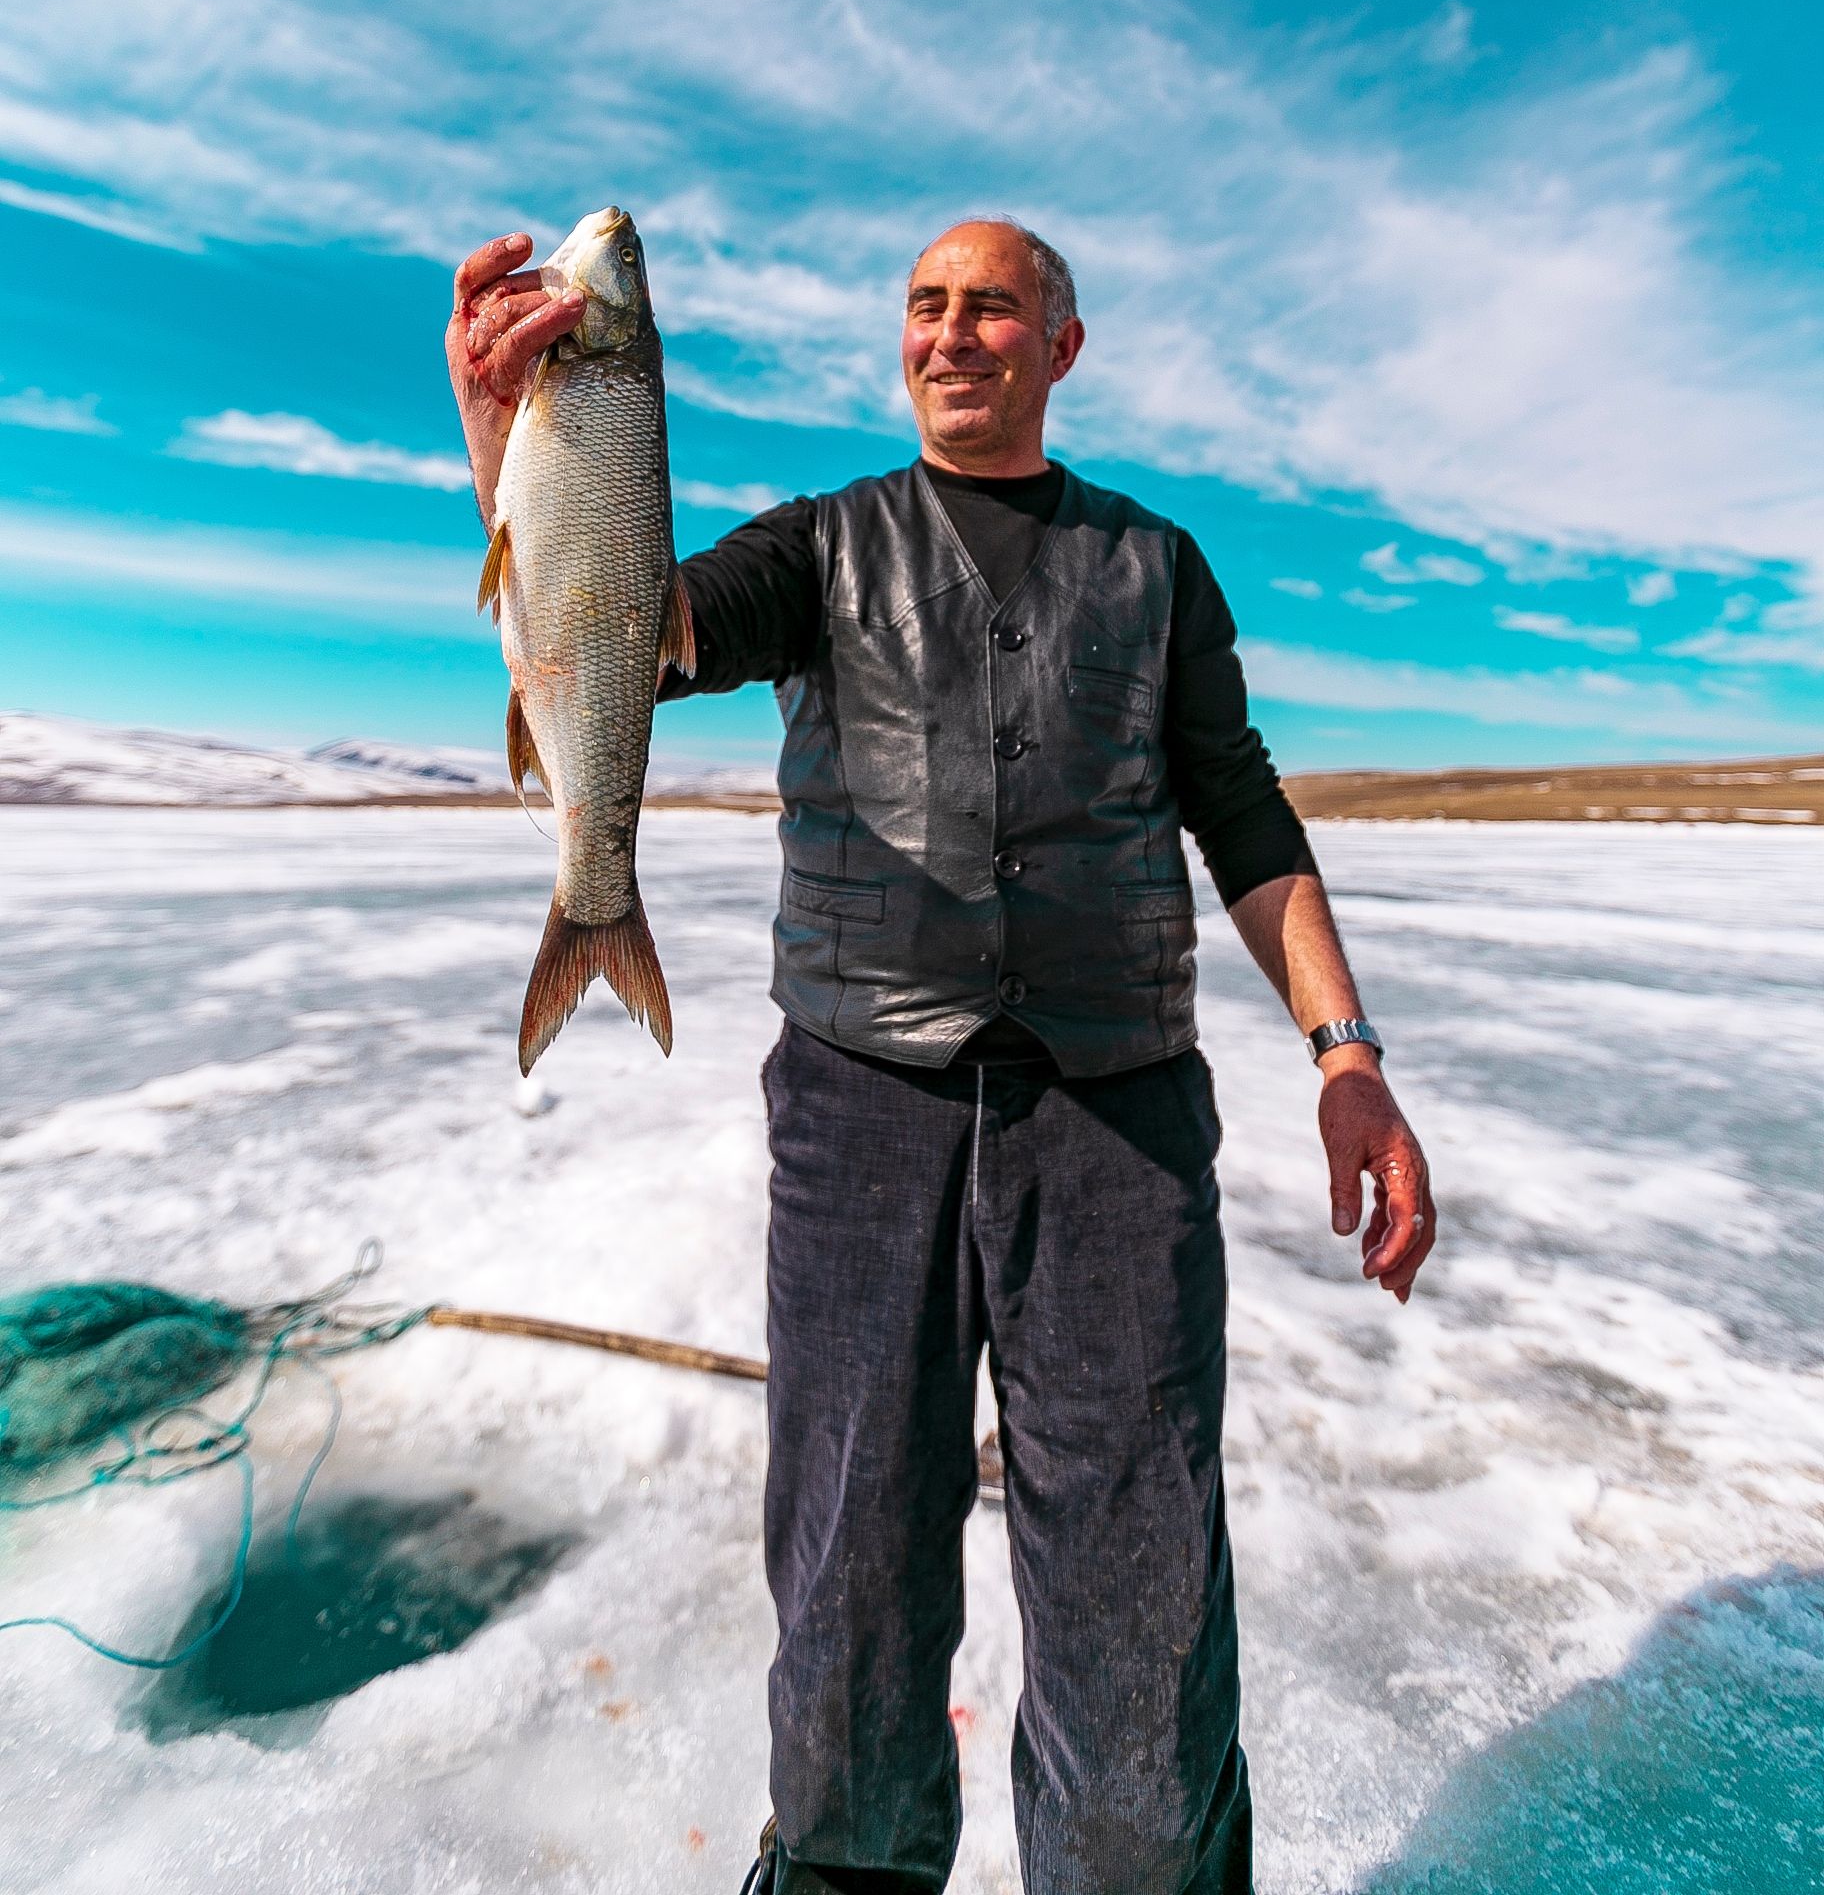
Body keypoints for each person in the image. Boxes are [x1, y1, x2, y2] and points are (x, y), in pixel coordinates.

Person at [446, 215, 1437, 1895]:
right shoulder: (823, 546)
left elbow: (1244, 813)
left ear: (1060, 345)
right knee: (847, 1571)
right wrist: (509, 442)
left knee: (1141, 1573)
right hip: (861, 1116)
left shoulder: (1158, 563)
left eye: (989, 307)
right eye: (925, 305)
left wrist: (1346, 1051)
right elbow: (623, 621)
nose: (950, 333)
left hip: (1116, 1130)